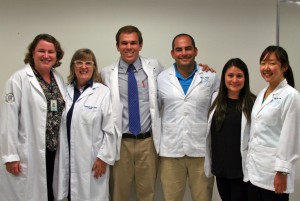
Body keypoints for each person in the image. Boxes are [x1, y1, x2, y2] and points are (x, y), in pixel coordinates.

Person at [100, 25, 164, 201]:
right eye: (124, 43)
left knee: (147, 193)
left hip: (147, 142)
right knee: (118, 193)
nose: (129, 47)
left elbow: (172, 83)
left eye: (133, 43)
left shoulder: (155, 68)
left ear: (140, 45)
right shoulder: (106, 73)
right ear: (117, 46)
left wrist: (202, 69)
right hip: (121, 142)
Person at [0, 34, 65, 201]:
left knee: (50, 192)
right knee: (30, 195)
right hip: (29, 152)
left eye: (51, 51)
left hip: (54, 150)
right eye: (41, 51)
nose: (46, 55)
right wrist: (10, 156)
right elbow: (8, 120)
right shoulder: (18, 80)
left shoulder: (58, 78)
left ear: (56, 55)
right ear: (32, 53)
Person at [157, 33, 219, 201]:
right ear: (172, 53)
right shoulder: (161, 78)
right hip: (171, 152)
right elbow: (155, 112)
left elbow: (219, 110)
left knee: (203, 198)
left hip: (201, 151)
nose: (184, 53)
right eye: (179, 49)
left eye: (188, 48)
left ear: (195, 51)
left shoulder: (211, 77)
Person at [53, 48, 116, 201]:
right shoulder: (63, 91)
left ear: (94, 67)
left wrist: (103, 158)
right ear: (72, 66)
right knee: (66, 194)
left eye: (88, 63)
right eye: (79, 62)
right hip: (65, 158)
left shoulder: (102, 92)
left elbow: (110, 129)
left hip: (92, 160)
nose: (83, 66)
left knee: (91, 196)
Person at [244, 45, 300, 201]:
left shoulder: (291, 95)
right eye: (263, 63)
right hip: (255, 171)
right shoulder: (263, 93)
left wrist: (282, 172)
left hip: (274, 174)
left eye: (272, 63)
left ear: (284, 67)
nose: (266, 67)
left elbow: (290, 136)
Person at [205, 58, 256, 201]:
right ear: (223, 77)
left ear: (245, 78)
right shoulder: (215, 99)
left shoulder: (253, 103)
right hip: (220, 169)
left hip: (241, 171)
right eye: (230, 75)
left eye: (239, 76)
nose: (234, 80)